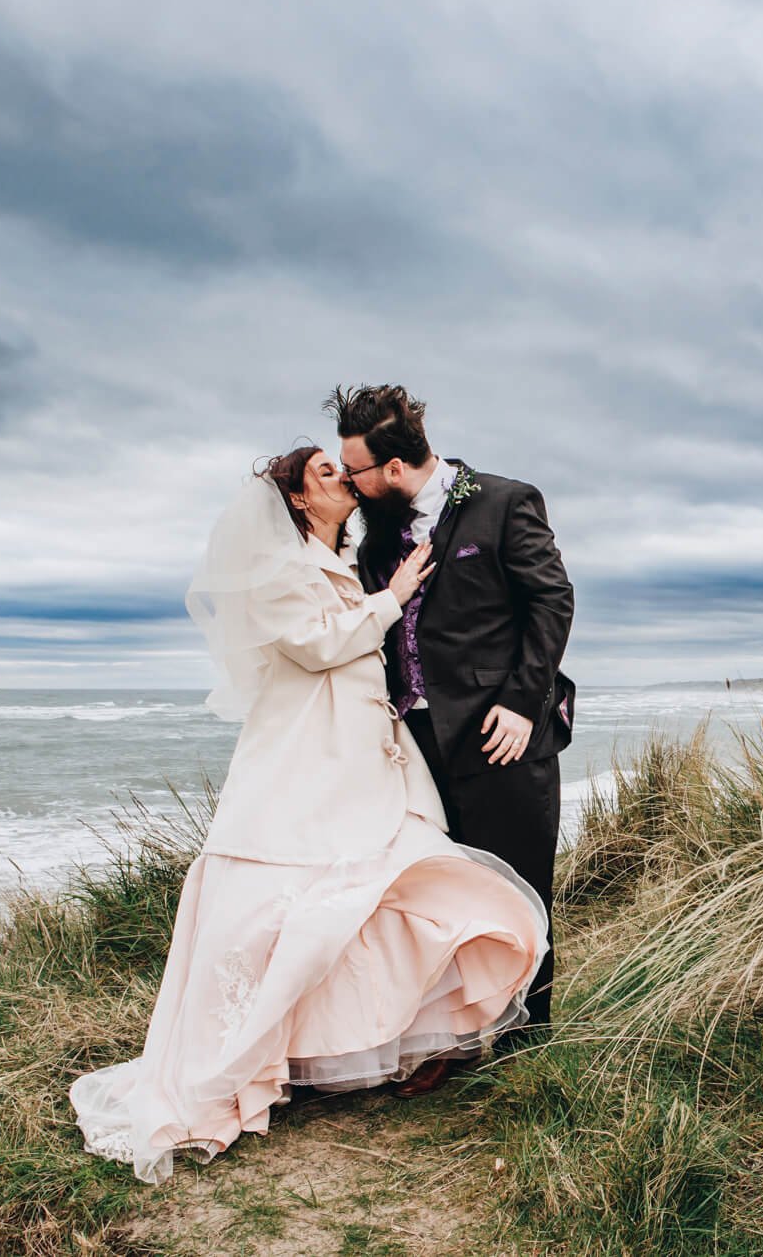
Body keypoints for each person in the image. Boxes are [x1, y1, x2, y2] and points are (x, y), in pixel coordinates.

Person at [69, 445, 547, 1184]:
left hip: (369, 760)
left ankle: (391, 1038)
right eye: (326, 473)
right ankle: (249, 1057)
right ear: (297, 499)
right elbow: (320, 643)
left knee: (396, 888)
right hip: (309, 765)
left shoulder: (352, 561)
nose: (344, 479)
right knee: (289, 905)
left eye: (344, 468)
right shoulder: (279, 569)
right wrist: (390, 598)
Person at [332, 385, 574, 1094]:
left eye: (357, 472)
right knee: (440, 900)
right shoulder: (376, 533)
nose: (350, 483)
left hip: (504, 736)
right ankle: (455, 1039)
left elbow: (551, 600)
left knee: (520, 891)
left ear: (399, 466)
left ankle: (526, 1051)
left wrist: (523, 705)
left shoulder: (505, 501)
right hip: (413, 746)